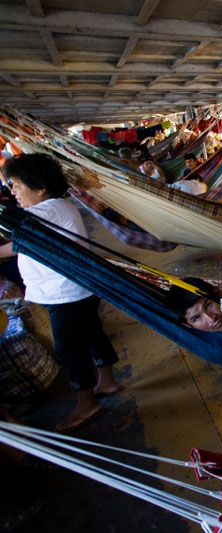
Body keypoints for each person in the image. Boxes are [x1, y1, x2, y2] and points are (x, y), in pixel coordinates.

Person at [0, 153, 122, 432]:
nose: (13, 192)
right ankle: (107, 381)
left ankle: (86, 404)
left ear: (40, 187)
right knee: (92, 334)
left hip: (65, 294)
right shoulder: (58, 206)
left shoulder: (48, 209)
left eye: (16, 185)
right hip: (78, 289)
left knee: (68, 350)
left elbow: (18, 240)